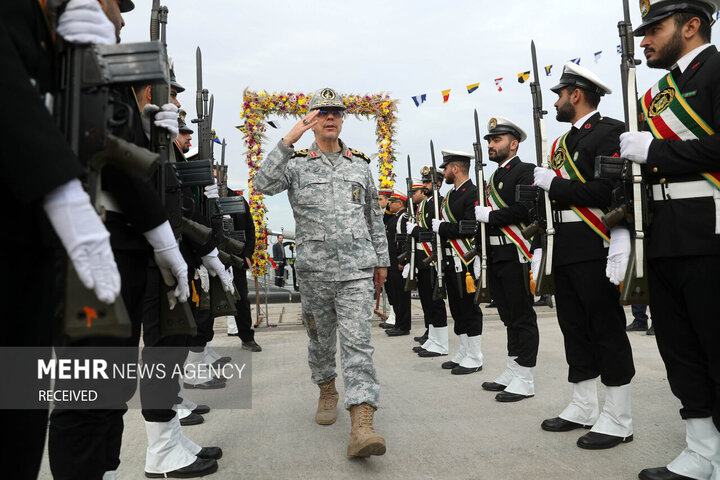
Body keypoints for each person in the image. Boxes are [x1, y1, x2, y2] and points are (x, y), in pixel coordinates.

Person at [0, 1, 123, 478]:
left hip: (38, 246)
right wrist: (62, 190)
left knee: (24, 424)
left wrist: (73, 62)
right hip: (50, 233)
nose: (119, 15)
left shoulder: (44, 26)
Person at [254, 87, 389, 457]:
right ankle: (327, 388)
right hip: (314, 272)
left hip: (357, 271)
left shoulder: (360, 164)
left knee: (358, 343)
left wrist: (382, 262)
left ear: (342, 119)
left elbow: (373, 217)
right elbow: (262, 184)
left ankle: (362, 423)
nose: (330, 118)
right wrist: (289, 137)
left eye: (336, 113)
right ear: (311, 120)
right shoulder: (296, 164)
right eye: (322, 112)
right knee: (320, 342)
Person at [620, 1, 720, 478]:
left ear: (692, 24)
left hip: (709, 229)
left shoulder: (718, 71)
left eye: (654, 29)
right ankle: (702, 451)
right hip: (659, 232)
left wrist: (655, 150)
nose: (644, 41)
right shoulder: (657, 94)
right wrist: (622, 230)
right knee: (678, 350)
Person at [533, 62, 635, 450]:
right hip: (565, 245)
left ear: (576, 95)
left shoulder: (610, 131)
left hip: (594, 244)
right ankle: (583, 405)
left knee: (605, 327)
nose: (556, 102)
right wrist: (540, 246)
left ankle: (619, 416)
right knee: (573, 326)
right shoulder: (560, 144)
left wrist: (557, 184)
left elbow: (606, 192)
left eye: (560, 95)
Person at [474, 117, 539, 402]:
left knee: (522, 316)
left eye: (496, 140)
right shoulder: (492, 179)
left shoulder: (526, 171)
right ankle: (513, 368)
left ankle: (525, 377)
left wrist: (492, 216)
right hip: (496, 254)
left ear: (513, 144)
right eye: (489, 140)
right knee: (508, 316)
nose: (491, 144)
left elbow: (524, 209)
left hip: (516, 252)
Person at [409, 150, 484, 375]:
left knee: (469, 308)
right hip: (450, 259)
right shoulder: (451, 195)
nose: (443, 172)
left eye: (446, 168)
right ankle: (463, 350)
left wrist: (442, 228)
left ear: (455, 168)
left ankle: (475, 355)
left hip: (466, 259)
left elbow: (471, 226)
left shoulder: (473, 192)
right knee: (457, 309)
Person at [408, 169, 449, 355]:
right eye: (423, 182)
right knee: (426, 300)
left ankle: (439, 341)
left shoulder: (439, 203)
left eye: (427, 183)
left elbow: (435, 234)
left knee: (435, 302)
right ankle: (432, 337)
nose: (424, 186)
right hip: (423, 259)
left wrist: (415, 231)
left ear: (438, 184)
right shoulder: (425, 204)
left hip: (433, 257)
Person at [384, 189, 412, 337]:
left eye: (392, 201)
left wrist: (404, 259)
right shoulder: (394, 217)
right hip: (392, 259)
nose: (388, 203)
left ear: (400, 203)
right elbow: (385, 222)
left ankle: (403, 326)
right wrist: (388, 211)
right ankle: (398, 323)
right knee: (395, 294)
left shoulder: (403, 217)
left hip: (398, 260)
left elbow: (404, 240)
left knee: (402, 295)